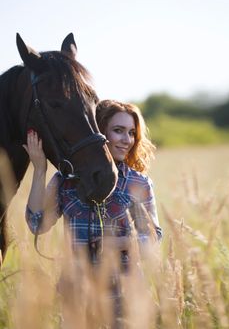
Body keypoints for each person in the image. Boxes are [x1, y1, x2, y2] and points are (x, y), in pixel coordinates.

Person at [23, 100, 162, 327]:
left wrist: (119, 243)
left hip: (125, 297)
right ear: (99, 132)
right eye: (118, 131)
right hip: (76, 295)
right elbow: (37, 224)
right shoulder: (65, 181)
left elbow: (153, 240)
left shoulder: (139, 183)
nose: (126, 140)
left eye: (131, 133)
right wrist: (39, 169)